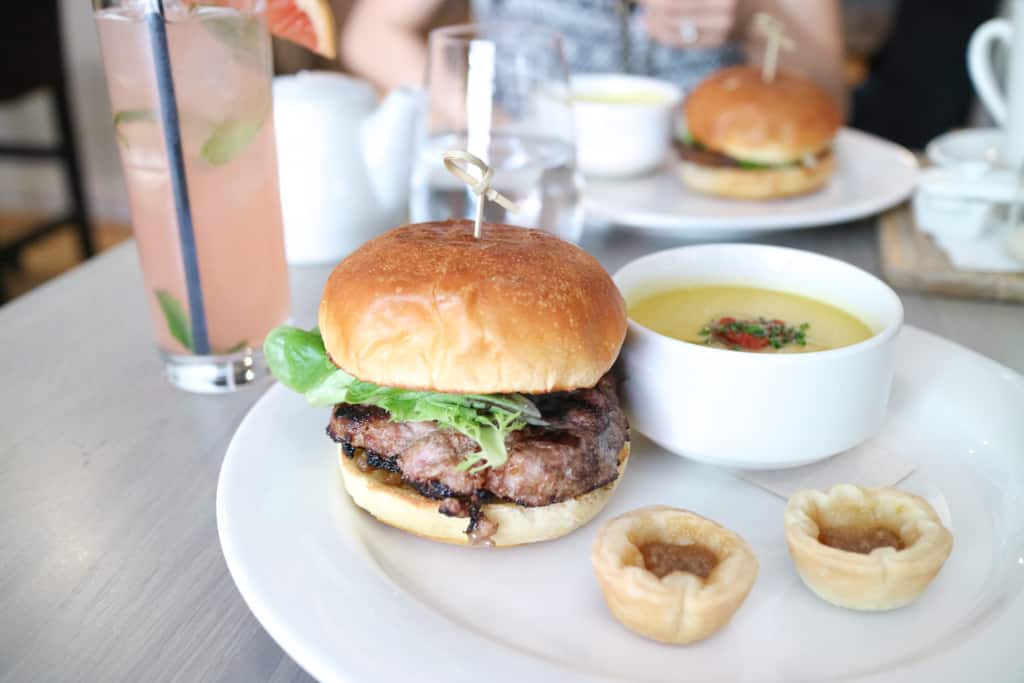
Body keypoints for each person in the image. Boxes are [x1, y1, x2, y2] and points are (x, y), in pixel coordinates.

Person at [341, 0, 848, 112]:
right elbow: (372, 35)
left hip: (718, 208)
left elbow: (828, 97)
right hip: (531, 195)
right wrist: (487, 127)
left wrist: (751, 12)